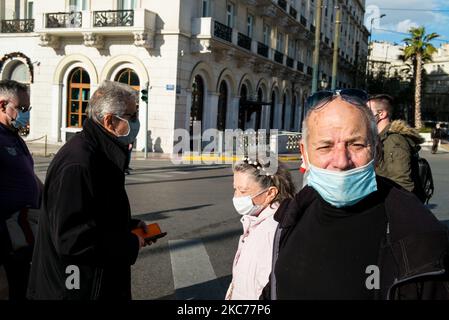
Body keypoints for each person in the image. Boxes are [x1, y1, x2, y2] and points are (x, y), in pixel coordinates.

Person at [261, 89, 449, 300]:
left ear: (377, 150)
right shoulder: (292, 215)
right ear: (304, 153)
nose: (341, 161)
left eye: (356, 144)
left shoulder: (419, 236)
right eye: (325, 146)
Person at [27, 81, 150, 300]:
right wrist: (129, 243)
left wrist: (129, 226)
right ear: (110, 121)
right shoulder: (79, 163)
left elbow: (94, 212)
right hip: (76, 287)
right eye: (131, 117)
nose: (137, 123)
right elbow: (72, 239)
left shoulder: (101, 152)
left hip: (95, 282)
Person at [226, 158, 296, 300]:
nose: (236, 196)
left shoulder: (271, 232)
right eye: (235, 189)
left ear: (270, 193)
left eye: (243, 191)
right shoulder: (256, 221)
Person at [0, 80, 41, 300]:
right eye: (22, 108)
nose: (26, 114)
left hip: (23, 233)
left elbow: (28, 175)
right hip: (6, 236)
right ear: (2, 105)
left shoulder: (15, 136)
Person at [367, 94, 425, 201]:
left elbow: (402, 182)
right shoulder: (381, 137)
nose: (365, 115)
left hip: (395, 204)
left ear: (381, 114)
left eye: (368, 111)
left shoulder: (394, 140)